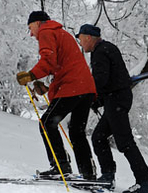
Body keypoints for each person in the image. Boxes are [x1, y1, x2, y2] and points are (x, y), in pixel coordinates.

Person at [16, 11, 97, 180]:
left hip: (72, 88)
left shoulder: (46, 31)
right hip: (86, 88)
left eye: (30, 28)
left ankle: (60, 166)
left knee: (47, 123)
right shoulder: (61, 33)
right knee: (76, 131)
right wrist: (47, 87)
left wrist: (31, 75)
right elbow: (63, 66)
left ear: (38, 23)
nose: (31, 34)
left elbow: (48, 60)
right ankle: (88, 172)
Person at [76, 24, 148, 193]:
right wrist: (98, 100)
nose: (80, 43)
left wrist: (89, 97)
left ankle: (144, 183)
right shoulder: (107, 48)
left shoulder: (100, 52)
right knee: (98, 137)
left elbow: (100, 80)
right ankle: (108, 175)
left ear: (88, 37)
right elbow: (112, 78)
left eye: (80, 39)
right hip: (117, 99)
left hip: (116, 100)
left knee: (125, 142)